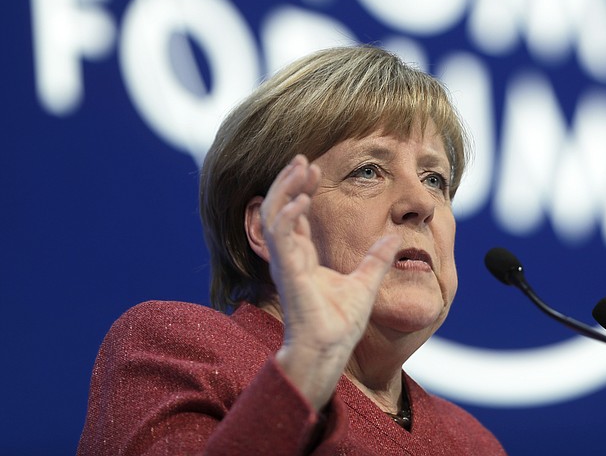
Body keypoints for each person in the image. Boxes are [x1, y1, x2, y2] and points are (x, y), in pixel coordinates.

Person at [77, 45, 506, 455]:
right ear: (267, 226)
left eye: (435, 179)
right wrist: (308, 366)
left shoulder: (472, 443)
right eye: (368, 171)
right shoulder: (181, 349)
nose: (421, 204)